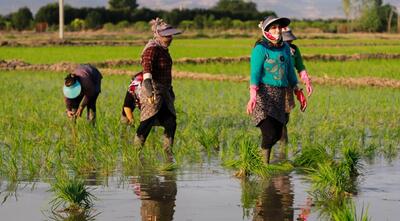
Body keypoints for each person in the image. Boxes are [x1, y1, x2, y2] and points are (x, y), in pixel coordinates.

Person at [246, 16, 307, 164]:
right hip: (264, 94)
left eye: (279, 27)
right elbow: (254, 73)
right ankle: (264, 166)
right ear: (266, 30)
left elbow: (290, 72)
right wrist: (253, 96)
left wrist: (298, 91)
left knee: (278, 132)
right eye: (273, 27)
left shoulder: (286, 48)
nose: (277, 30)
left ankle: (262, 162)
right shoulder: (260, 49)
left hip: (279, 95)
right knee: (269, 133)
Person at [135, 18, 182, 161]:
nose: (170, 38)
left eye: (171, 35)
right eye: (167, 35)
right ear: (158, 34)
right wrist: (149, 91)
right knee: (147, 123)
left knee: (171, 122)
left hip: (165, 92)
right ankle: (136, 153)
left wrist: (169, 90)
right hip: (153, 91)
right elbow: (146, 72)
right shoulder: (151, 49)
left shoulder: (164, 50)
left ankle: (168, 154)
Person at [280, 27, 313, 144]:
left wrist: (307, 81)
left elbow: (300, 66)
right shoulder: (273, 49)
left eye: (290, 40)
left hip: (288, 87)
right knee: (274, 120)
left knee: (284, 118)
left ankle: (283, 148)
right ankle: (278, 145)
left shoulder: (294, 50)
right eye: (286, 40)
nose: (289, 43)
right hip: (271, 87)